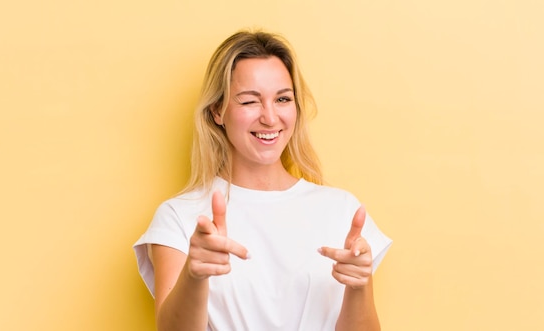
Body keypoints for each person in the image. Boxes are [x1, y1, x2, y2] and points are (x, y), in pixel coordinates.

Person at [133, 29, 392, 331]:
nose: (270, 118)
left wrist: (360, 286)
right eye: (249, 102)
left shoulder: (343, 210)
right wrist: (195, 275)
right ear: (218, 110)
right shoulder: (179, 217)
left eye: (282, 99)